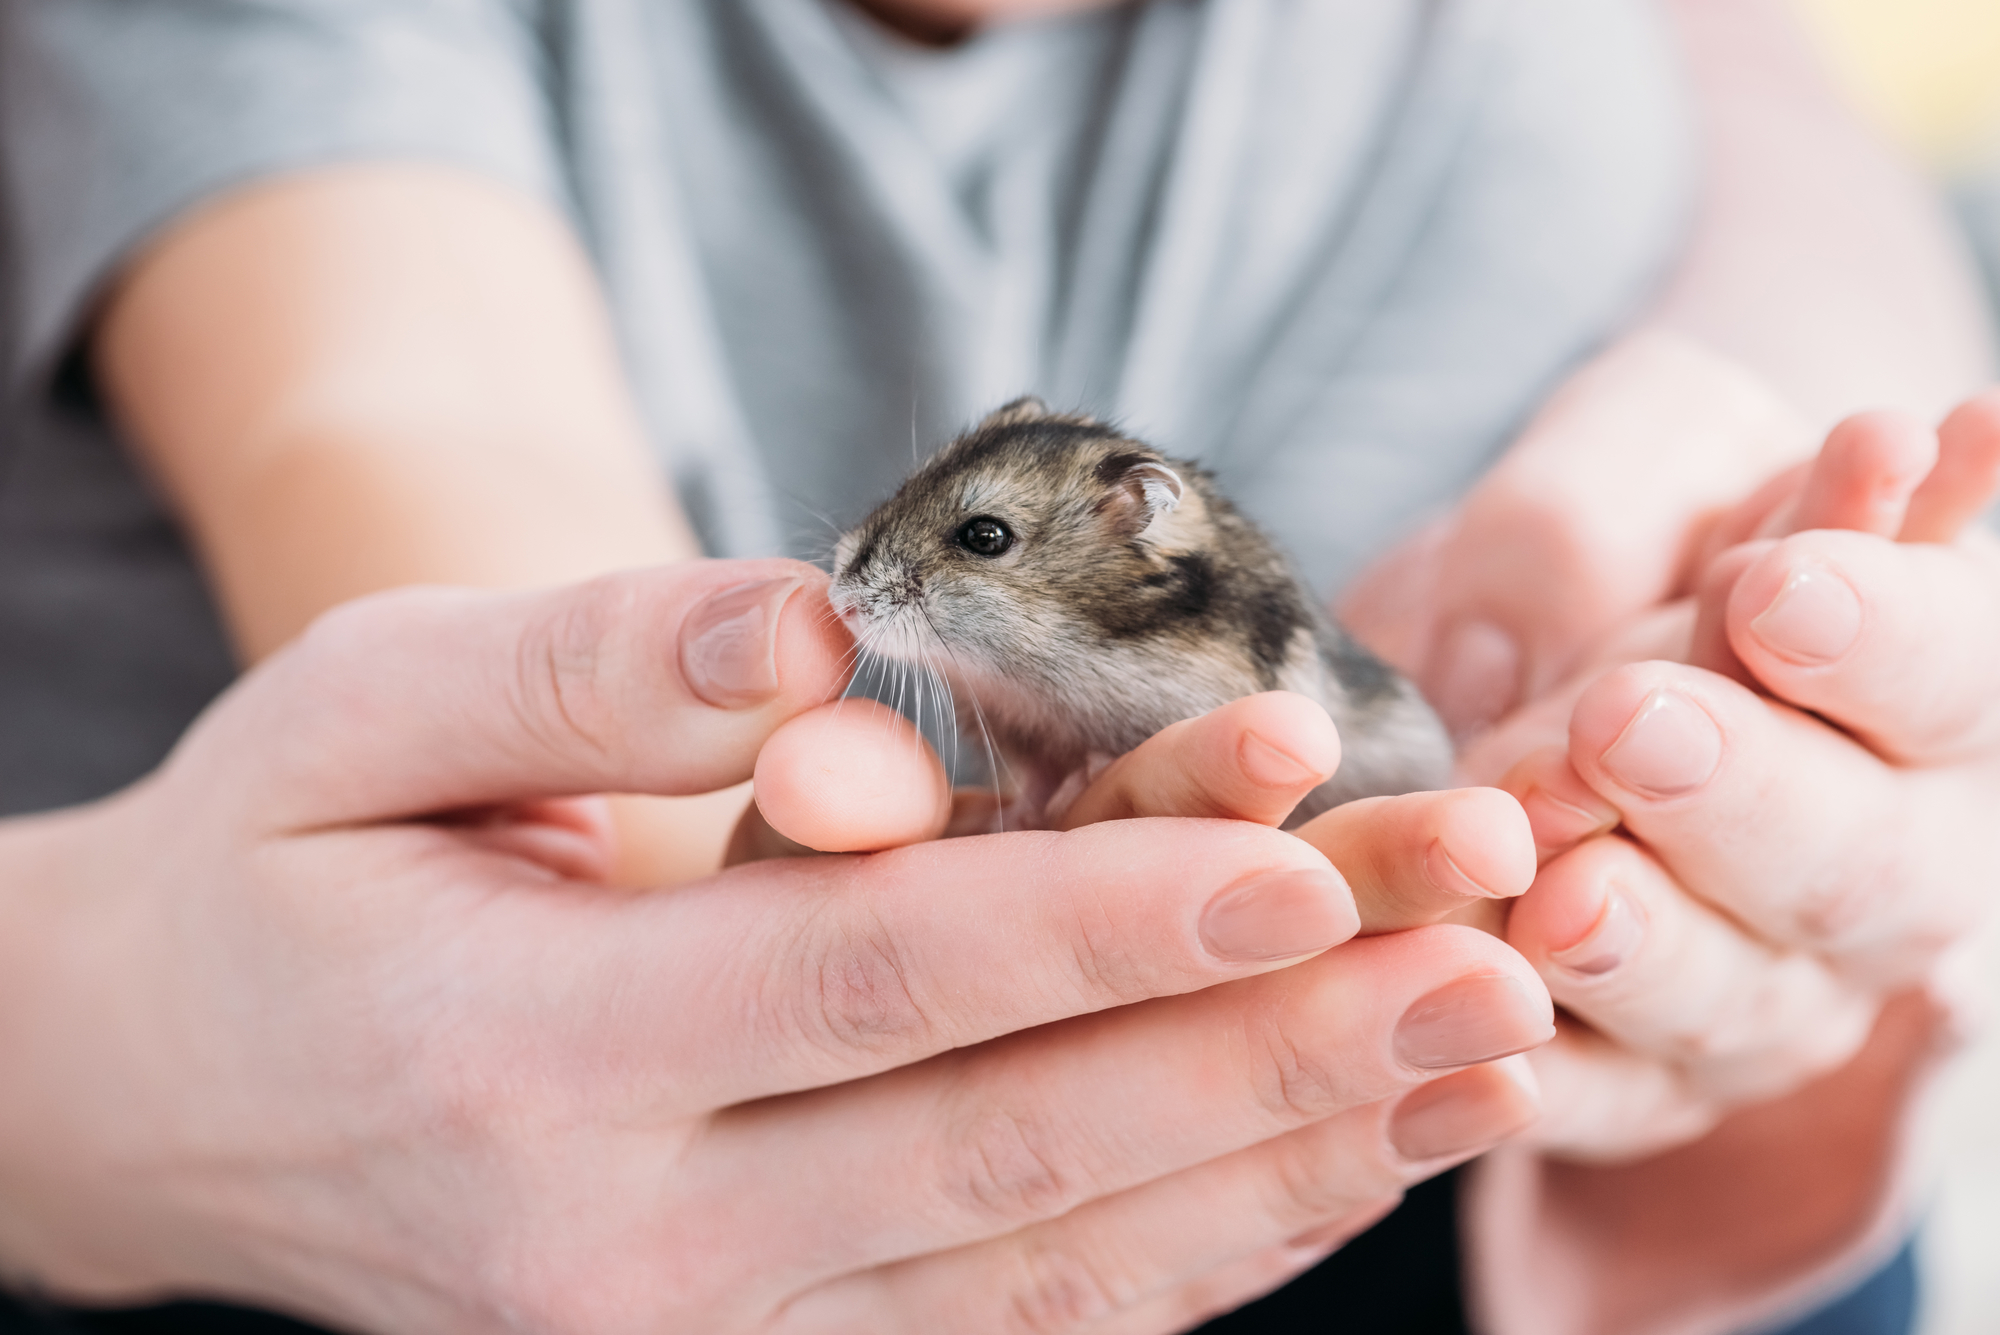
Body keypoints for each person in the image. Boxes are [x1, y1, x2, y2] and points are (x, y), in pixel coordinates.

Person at [1, 2, 1998, 1333]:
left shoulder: (1489, 79)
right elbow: (397, 417)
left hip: (1439, 1143)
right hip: (303, 1160)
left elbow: (1794, 235)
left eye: (955, 555)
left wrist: (1753, 745)